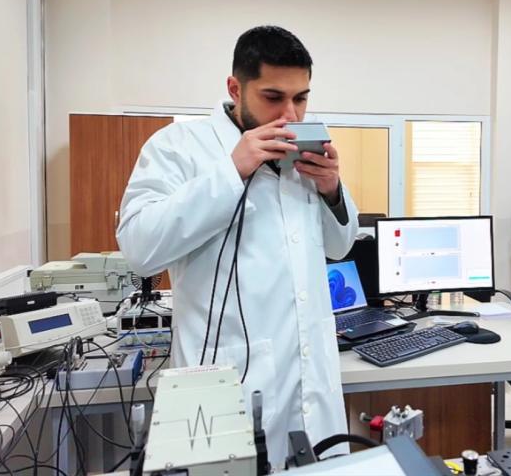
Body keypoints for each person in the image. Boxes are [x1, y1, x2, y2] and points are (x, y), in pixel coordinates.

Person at [116, 25, 358, 466]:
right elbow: (139, 247)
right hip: (223, 384)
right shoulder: (179, 147)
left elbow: (339, 246)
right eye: (273, 97)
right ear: (235, 88)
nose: (291, 114)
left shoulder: (304, 155)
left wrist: (332, 190)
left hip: (311, 379)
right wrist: (233, 170)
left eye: (301, 98)